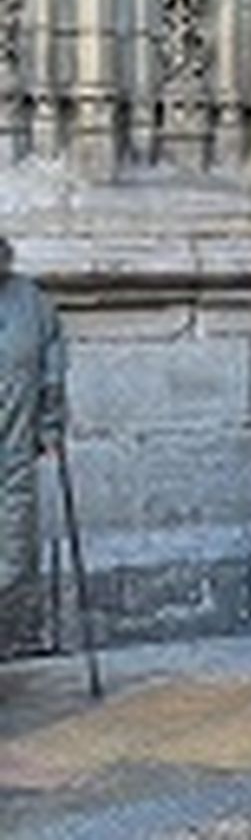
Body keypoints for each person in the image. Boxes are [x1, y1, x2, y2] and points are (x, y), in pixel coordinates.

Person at [0, 236, 66, 649]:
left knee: (13, 557)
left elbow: (51, 367)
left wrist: (52, 426)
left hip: (14, 453)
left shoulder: (32, 301)